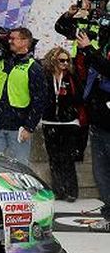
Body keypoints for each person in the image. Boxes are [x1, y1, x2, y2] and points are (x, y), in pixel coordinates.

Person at [0, 27, 47, 165]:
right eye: (9, 38)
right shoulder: (0, 62)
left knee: (19, 168)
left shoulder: (33, 67)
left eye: (13, 39)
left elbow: (40, 100)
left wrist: (29, 127)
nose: (10, 41)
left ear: (25, 41)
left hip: (18, 129)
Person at [76, 30, 110, 231]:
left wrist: (89, 49)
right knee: (101, 172)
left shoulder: (97, 53)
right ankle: (108, 214)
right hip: (97, 122)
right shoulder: (101, 47)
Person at [40, 47, 83, 202]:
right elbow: (41, 95)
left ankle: (71, 191)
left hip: (68, 122)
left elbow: (80, 96)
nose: (65, 63)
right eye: (61, 60)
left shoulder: (71, 76)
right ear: (53, 60)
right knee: (54, 158)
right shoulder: (45, 76)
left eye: (67, 60)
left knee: (67, 158)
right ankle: (58, 190)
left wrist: (66, 98)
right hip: (49, 121)